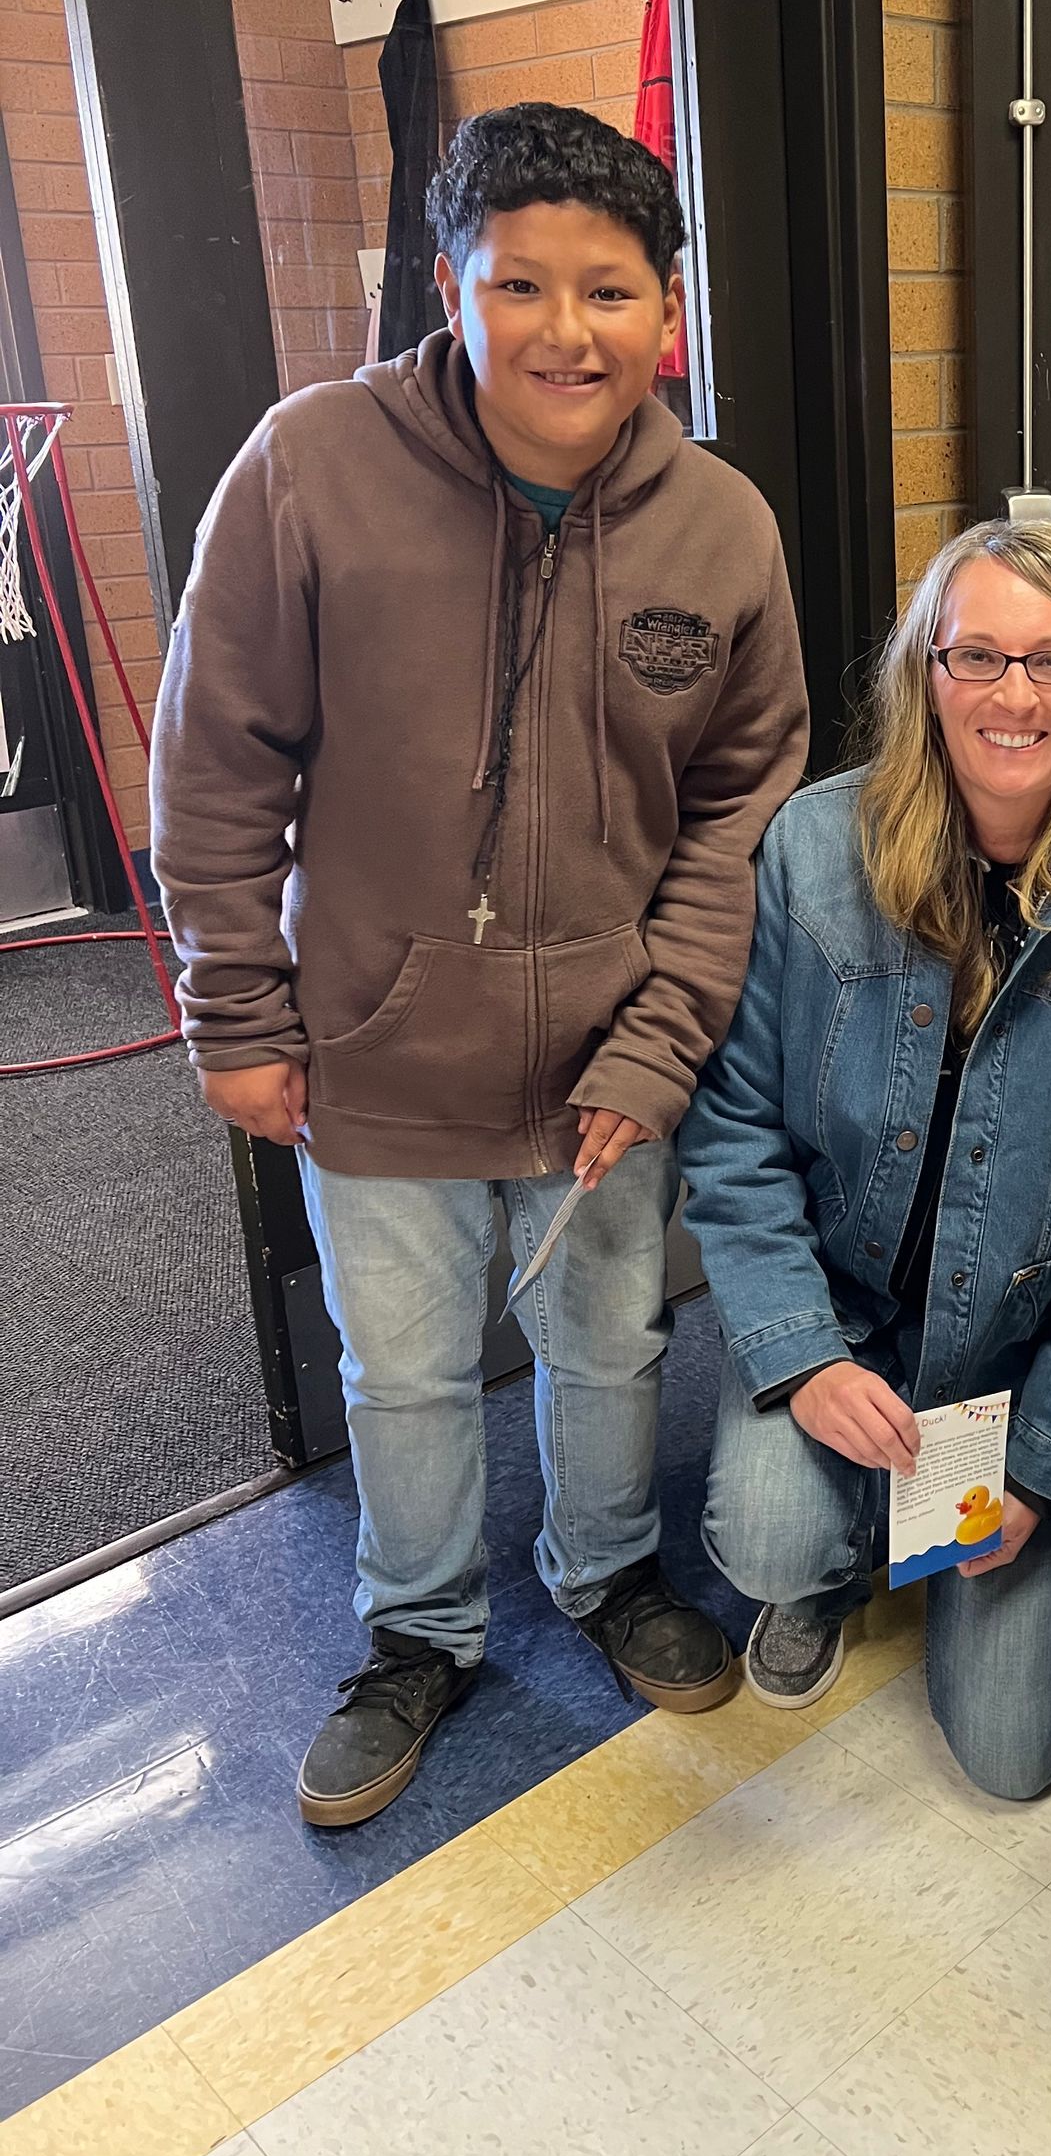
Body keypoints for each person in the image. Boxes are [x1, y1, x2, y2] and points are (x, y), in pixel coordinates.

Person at [150, 103, 809, 1826]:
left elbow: (738, 807)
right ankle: (417, 1633)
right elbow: (215, 764)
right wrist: (238, 1012)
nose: (566, 331)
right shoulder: (309, 469)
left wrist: (664, 1037)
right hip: (372, 1047)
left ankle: (608, 1573)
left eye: (610, 290)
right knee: (410, 1370)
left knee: (610, 1351)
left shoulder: (722, 527)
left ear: (668, 310)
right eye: (522, 284)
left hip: (612, 1063)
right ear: (455, 286)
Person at [679, 519, 1051, 1798]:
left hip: (1012, 1371)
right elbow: (736, 1129)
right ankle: (836, 1551)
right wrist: (801, 1357)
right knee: (764, 1535)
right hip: (847, 1321)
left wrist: (1047, 1465)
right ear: (926, 670)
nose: (1014, 695)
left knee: (1011, 1756)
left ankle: (952, 1529)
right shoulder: (815, 852)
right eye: (976, 654)